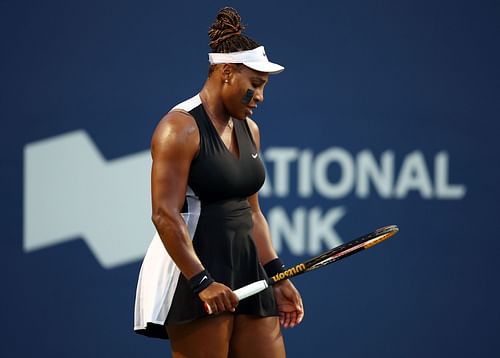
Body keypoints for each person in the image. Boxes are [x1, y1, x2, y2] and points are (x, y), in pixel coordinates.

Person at [134, 7, 304, 357]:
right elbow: (164, 214)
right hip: (195, 270)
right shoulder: (178, 128)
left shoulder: (250, 130)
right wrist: (201, 282)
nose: (260, 96)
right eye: (254, 84)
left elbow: (252, 212)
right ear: (226, 72)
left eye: (263, 87)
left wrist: (278, 275)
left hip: (248, 270)